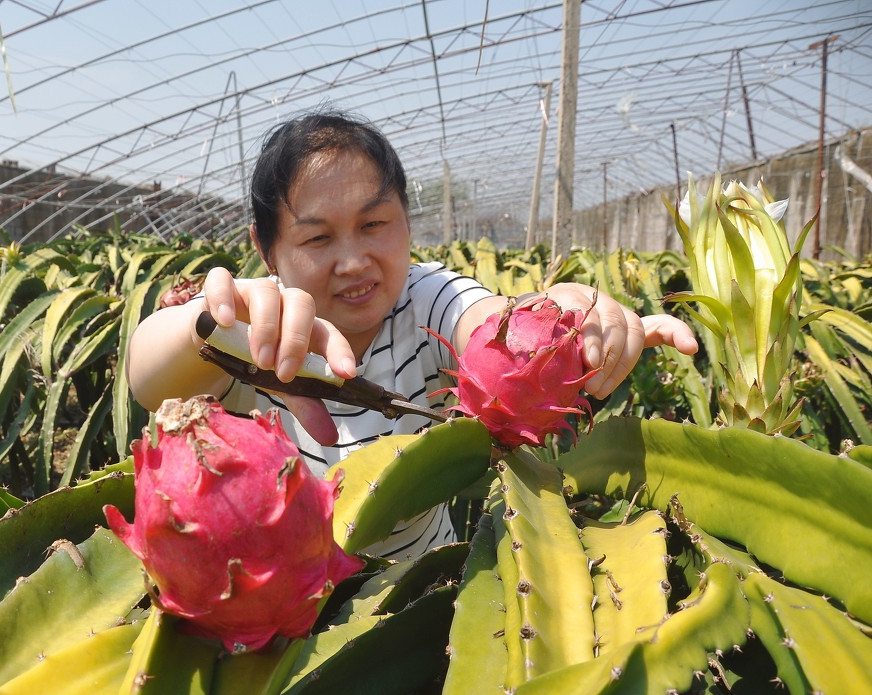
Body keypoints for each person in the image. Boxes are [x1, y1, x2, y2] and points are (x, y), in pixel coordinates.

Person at [127, 109, 698, 559]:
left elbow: (489, 323)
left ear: (405, 218)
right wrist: (204, 324)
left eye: (374, 224)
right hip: (288, 611)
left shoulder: (424, 297)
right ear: (265, 248)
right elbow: (149, 379)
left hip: (421, 601)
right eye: (317, 239)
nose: (353, 261)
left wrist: (555, 316)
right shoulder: (256, 327)